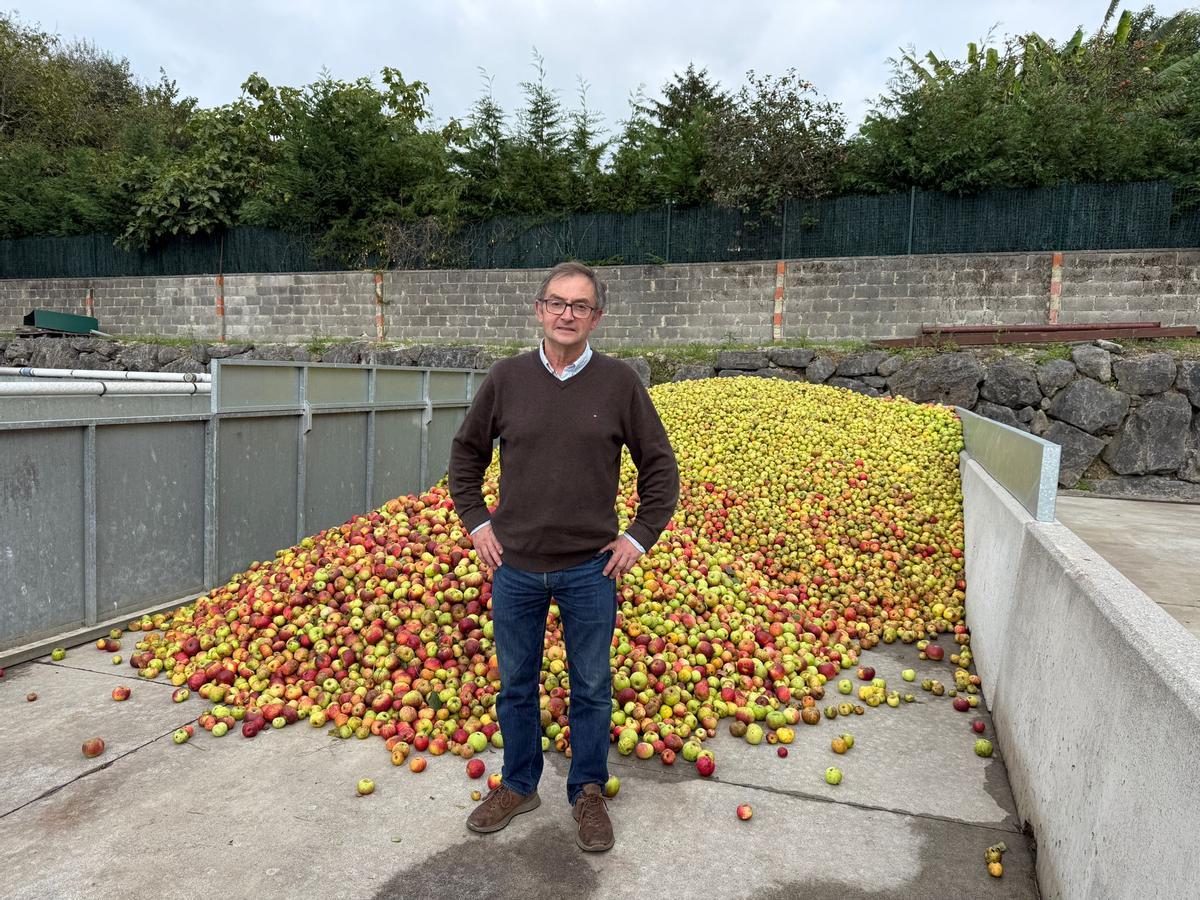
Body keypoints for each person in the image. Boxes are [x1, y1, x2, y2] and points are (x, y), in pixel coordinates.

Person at [448, 260, 679, 852]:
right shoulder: (506, 378)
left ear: (596, 316)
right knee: (517, 684)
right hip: (515, 566)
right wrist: (476, 523)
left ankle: (587, 791)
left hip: (589, 569)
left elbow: (659, 466)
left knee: (592, 685)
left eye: (580, 306)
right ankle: (520, 784)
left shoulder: (619, 382)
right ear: (539, 310)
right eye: (557, 303)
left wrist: (638, 536)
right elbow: (466, 455)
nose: (567, 314)